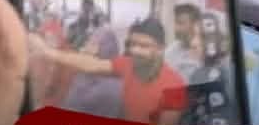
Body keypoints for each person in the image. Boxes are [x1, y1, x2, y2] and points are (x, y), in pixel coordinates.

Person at [32, 18, 188, 125]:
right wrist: (48, 52)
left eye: (144, 46)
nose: (136, 51)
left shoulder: (174, 85)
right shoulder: (128, 64)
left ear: (160, 49)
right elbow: (93, 65)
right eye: (133, 44)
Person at [164, 3, 203, 80]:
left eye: (181, 23)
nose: (176, 28)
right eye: (175, 23)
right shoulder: (169, 52)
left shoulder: (205, 52)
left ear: (195, 25)